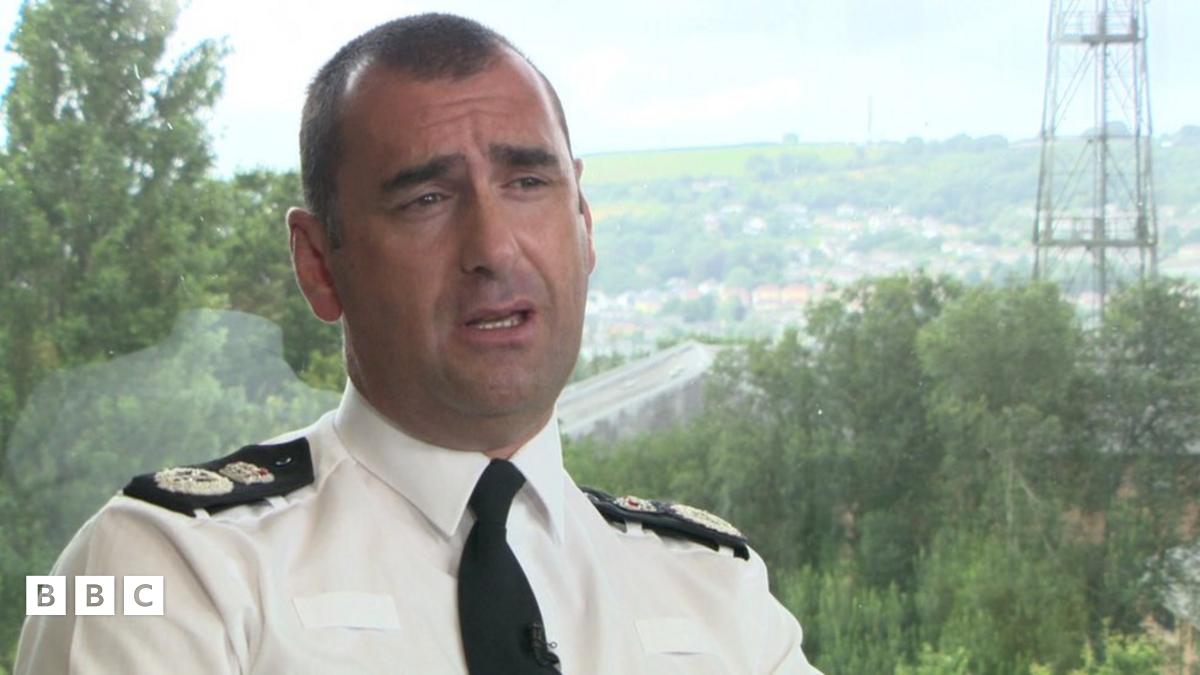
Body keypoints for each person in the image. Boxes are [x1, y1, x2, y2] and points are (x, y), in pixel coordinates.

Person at [15, 13, 821, 674]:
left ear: (584, 224)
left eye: (528, 183)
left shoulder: (716, 588)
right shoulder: (157, 569)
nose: (494, 247)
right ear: (318, 263)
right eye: (426, 199)